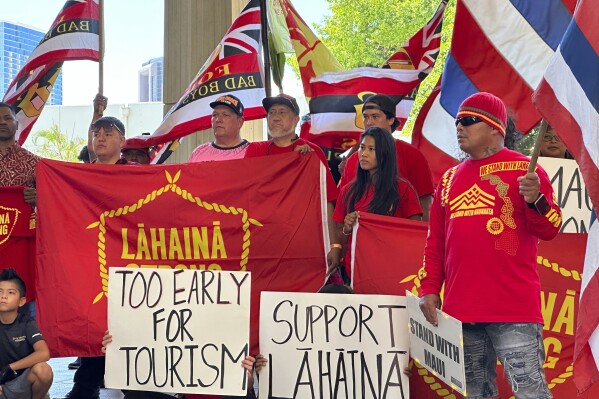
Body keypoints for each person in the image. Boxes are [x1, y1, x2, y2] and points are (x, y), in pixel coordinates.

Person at [419, 92, 561, 399]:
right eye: (457, 121)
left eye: (468, 121)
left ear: (495, 127)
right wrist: (430, 288)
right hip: (462, 310)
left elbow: (550, 228)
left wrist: (536, 199)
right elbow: (436, 243)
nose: (459, 127)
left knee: (531, 393)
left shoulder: (526, 171)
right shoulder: (447, 179)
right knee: (477, 394)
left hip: (513, 308)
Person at [59, 115, 132, 399]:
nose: (101, 137)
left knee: (125, 318)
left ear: (122, 141)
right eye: (96, 132)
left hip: (127, 254)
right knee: (93, 318)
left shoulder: (137, 174)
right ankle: (86, 382)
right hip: (92, 255)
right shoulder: (78, 176)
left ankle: (135, 382)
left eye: (108, 133)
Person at [327, 126, 422, 281]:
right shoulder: (348, 191)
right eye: (362, 148)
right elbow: (338, 238)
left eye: (371, 149)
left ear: (385, 154)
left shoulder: (404, 190)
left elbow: (414, 235)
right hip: (354, 274)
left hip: (392, 273)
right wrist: (347, 228)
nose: (364, 154)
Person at [245, 94, 339, 250]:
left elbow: (327, 201)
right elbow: (246, 190)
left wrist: (334, 245)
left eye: (282, 112)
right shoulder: (255, 150)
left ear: (296, 119)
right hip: (262, 236)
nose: (275, 117)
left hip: (301, 238)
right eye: (272, 113)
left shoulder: (312, 153)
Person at [337, 94, 434, 221]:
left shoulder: (412, 155)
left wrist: (423, 238)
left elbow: (425, 202)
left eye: (375, 117)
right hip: (358, 238)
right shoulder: (354, 160)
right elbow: (341, 207)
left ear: (391, 120)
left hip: (398, 237)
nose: (369, 122)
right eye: (365, 117)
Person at [100, 331, 266, 399]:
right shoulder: (154, 334)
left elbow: (246, 390)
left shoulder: (231, 335)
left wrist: (247, 381)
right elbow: (131, 388)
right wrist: (118, 354)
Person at [0, 268, 53, 399]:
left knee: (43, 370)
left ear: (22, 301)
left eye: (11, 292)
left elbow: (44, 353)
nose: (3, 296)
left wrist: (9, 368)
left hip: (23, 384)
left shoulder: (27, 323)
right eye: (0, 292)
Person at [189, 94, 249, 162]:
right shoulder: (198, 154)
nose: (218, 120)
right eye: (215, 115)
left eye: (225, 115)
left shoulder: (253, 153)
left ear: (240, 122)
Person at [0, 102, 38, 207]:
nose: (2, 122)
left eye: (7, 118)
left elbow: (52, 199)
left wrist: (38, 198)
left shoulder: (34, 162)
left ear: (16, 125)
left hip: (21, 222)